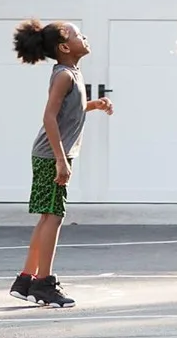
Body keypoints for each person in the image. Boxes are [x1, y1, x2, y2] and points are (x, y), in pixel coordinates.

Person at [8, 20, 114, 308]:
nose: (86, 36)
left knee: (47, 216)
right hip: (51, 155)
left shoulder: (72, 73)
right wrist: (60, 160)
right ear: (65, 47)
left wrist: (94, 105)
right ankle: (44, 283)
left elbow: (70, 110)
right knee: (53, 217)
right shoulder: (64, 75)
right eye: (80, 35)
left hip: (53, 154)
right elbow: (49, 117)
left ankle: (26, 279)